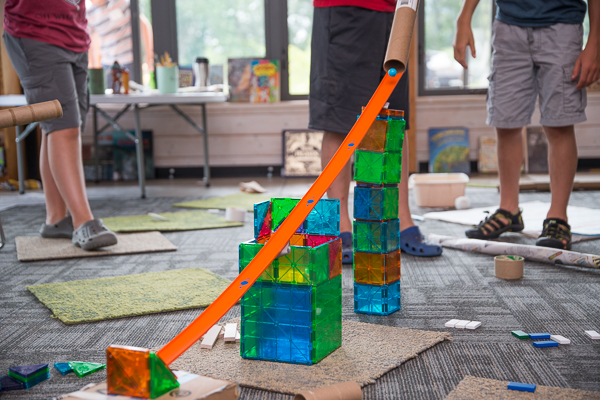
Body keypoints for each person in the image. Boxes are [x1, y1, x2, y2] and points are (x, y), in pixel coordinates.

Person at [454, 0, 599, 250]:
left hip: (563, 26)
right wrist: (464, 17)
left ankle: (558, 217)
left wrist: (595, 42)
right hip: (508, 25)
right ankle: (508, 209)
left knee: (560, 124)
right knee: (505, 122)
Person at [309, 0, 442, 263]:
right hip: (345, 9)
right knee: (339, 120)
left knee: (395, 121)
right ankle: (340, 226)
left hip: (397, 12)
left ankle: (400, 219)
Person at [4, 0, 118, 250]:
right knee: (64, 126)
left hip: (75, 34)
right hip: (36, 32)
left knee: (59, 127)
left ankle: (56, 219)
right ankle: (83, 221)